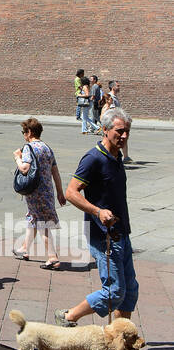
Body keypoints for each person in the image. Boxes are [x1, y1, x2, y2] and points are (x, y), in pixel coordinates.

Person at [56, 108, 138, 332]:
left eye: (127, 131)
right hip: (103, 236)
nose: (124, 136)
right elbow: (71, 192)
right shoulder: (93, 158)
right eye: (119, 131)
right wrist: (97, 211)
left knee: (130, 290)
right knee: (114, 291)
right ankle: (68, 315)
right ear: (105, 129)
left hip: (122, 232)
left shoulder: (116, 156)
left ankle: (118, 341)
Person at [12, 118, 67, 268]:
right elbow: (55, 172)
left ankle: (52, 257)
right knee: (33, 217)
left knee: (42, 222)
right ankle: (24, 249)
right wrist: (60, 193)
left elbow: (24, 169)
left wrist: (17, 157)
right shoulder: (47, 148)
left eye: (24, 132)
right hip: (47, 190)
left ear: (29, 132)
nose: (24, 135)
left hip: (35, 191)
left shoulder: (29, 148)